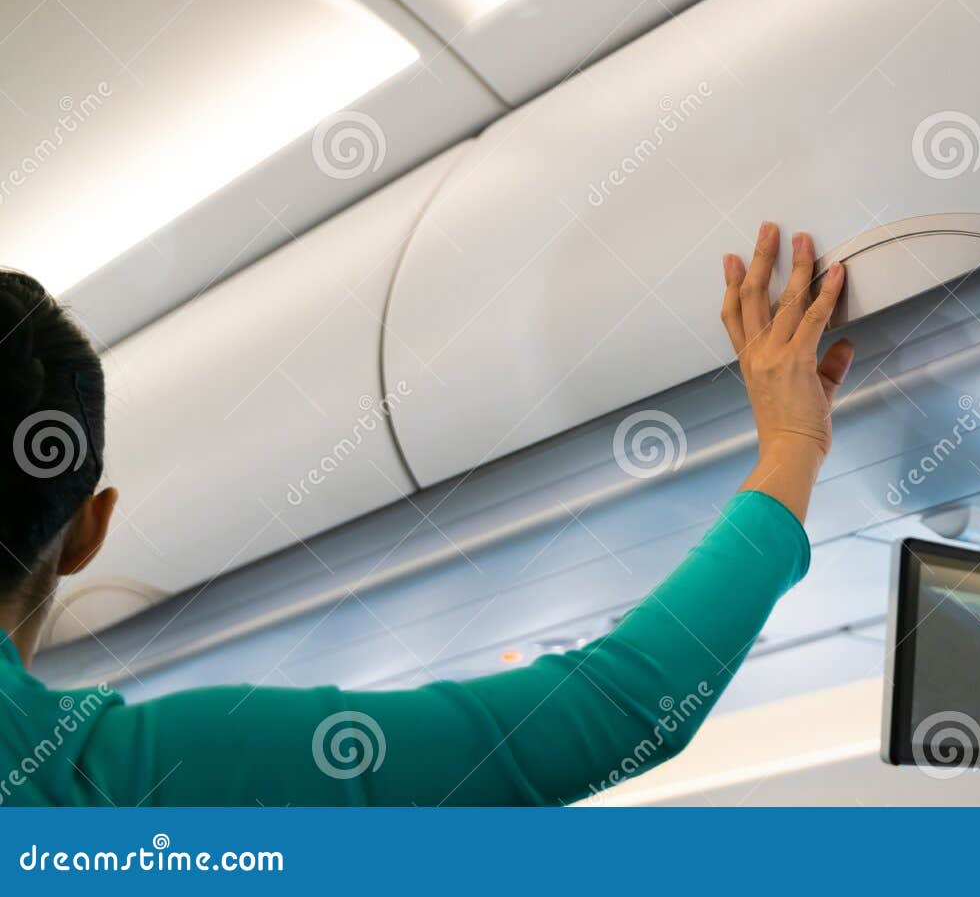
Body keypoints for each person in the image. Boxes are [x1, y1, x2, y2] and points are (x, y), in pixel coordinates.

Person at [0, 223, 851, 805]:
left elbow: (627, 710)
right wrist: (789, 441)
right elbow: (616, 710)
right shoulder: (116, 781)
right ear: (88, 527)